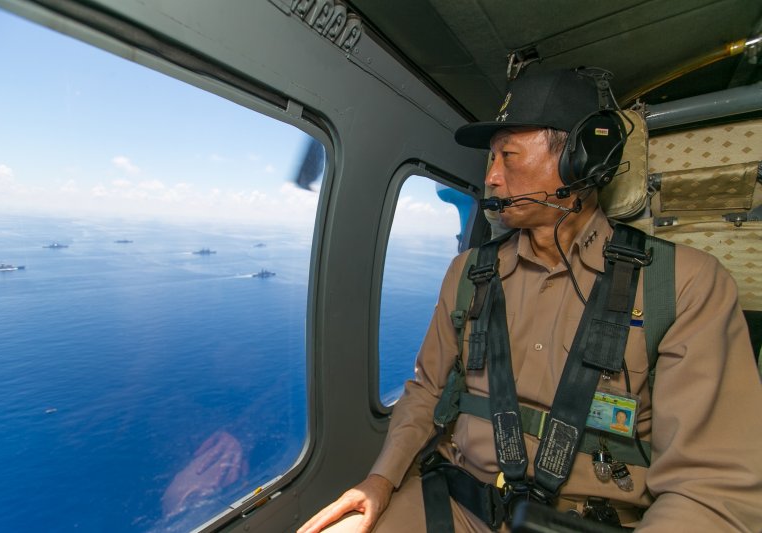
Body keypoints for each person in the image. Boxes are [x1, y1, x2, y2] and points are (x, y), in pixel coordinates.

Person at [298, 68, 762, 532]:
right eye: (490, 160)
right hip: (458, 502)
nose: (493, 178)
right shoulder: (468, 274)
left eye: (509, 156)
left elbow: (710, 489)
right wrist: (380, 479)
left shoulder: (683, 284)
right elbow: (426, 392)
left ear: (581, 159)